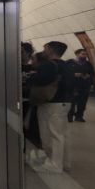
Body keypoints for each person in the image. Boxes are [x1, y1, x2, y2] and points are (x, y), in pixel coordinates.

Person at [31, 41, 74, 173]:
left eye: (45, 48)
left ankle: (54, 164)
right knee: (62, 135)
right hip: (65, 102)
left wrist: (33, 75)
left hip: (50, 102)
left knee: (50, 135)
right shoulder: (66, 65)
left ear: (50, 50)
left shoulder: (48, 65)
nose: (43, 51)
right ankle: (65, 163)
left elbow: (39, 79)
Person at [67, 49, 95, 122]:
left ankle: (79, 116)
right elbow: (65, 73)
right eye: (82, 54)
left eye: (85, 54)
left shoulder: (88, 64)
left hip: (84, 86)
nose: (84, 56)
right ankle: (69, 116)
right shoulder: (70, 63)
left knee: (82, 102)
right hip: (73, 86)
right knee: (71, 102)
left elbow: (92, 73)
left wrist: (89, 76)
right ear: (77, 54)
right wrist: (73, 74)